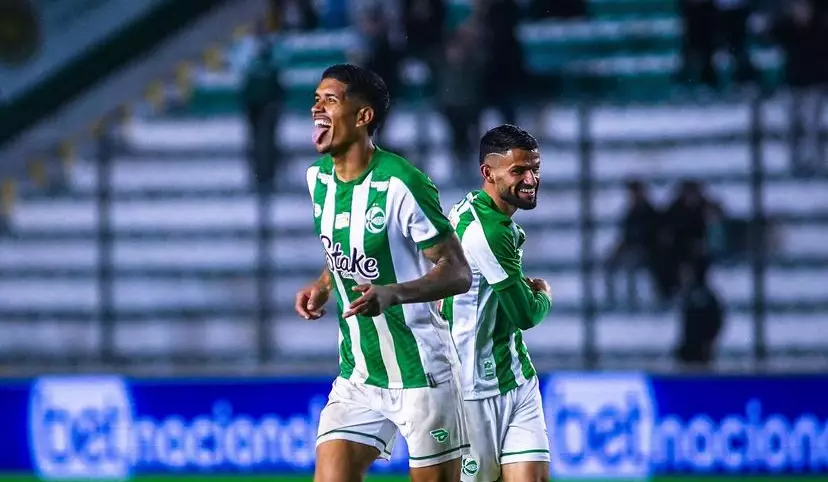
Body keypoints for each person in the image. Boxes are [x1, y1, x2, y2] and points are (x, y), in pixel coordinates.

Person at [295, 64, 473, 482]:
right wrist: (323, 284)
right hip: (359, 373)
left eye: (330, 99)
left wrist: (393, 293)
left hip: (422, 373)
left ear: (363, 116)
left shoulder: (402, 183)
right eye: (316, 98)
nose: (317, 107)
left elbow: (458, 272)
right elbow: (348, 247)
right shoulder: (316, 179)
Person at [440, 124, 552, 482]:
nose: (531, 179)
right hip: (471, 390)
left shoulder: (473, 208)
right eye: (518, 171)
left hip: (516, 379)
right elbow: (525, 313)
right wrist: (544, 295)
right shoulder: (487, 232)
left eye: (535, 168)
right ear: (488, 173)